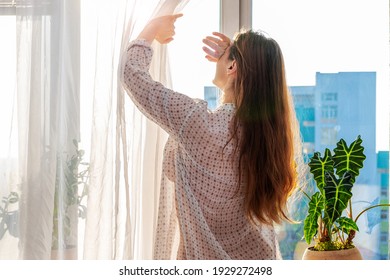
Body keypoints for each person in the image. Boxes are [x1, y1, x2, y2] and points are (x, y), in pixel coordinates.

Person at [121, 14, 304, 260]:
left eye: (229, 57)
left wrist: (153, 27)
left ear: (233, 67)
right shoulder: (266, 141)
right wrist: (238, 57)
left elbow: (131, 74)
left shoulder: (197, 123)